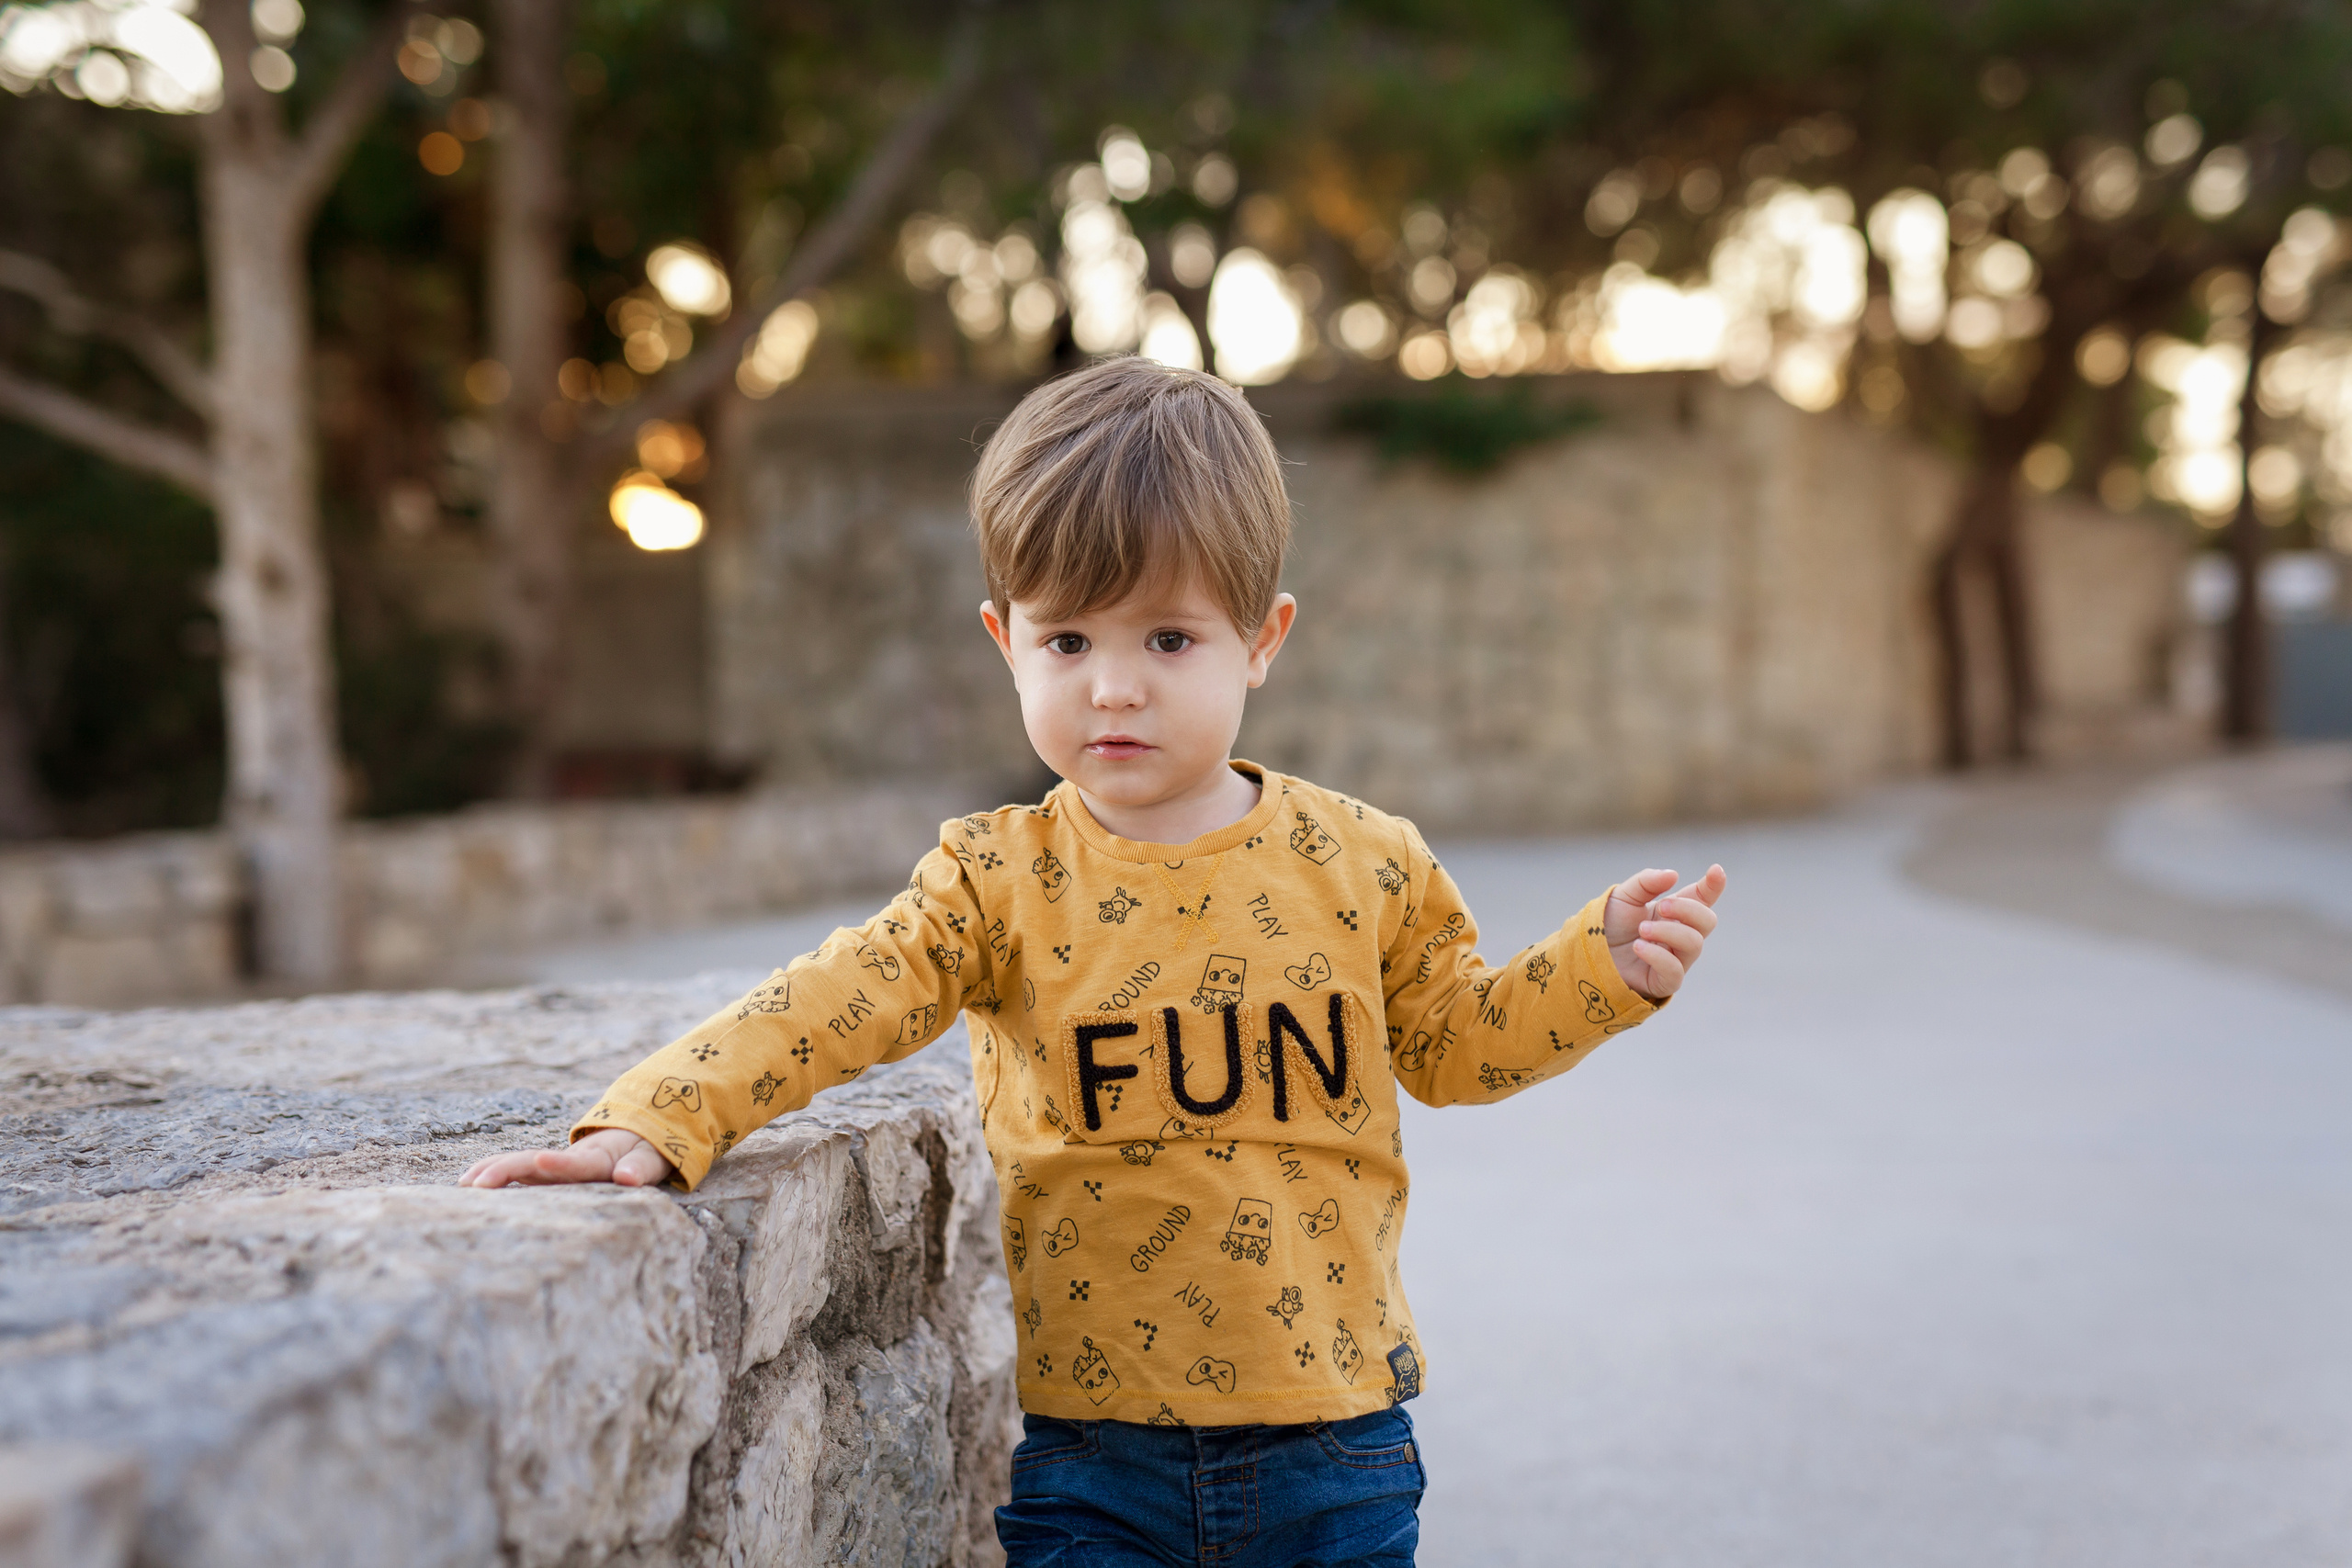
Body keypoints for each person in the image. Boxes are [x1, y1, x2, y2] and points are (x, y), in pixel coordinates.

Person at [460, 355, 1727, 1566]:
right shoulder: (997, 880)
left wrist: (1600, 973)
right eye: (1068, 642)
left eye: (1168, 641)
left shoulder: (1364, 862)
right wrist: (663, 1114)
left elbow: (1458, 1045)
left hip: (1339, 1451)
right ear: (1004, 638)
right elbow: (838, 1000)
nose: (1113, 687)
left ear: (1262, 639)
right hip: (1095, 1460)